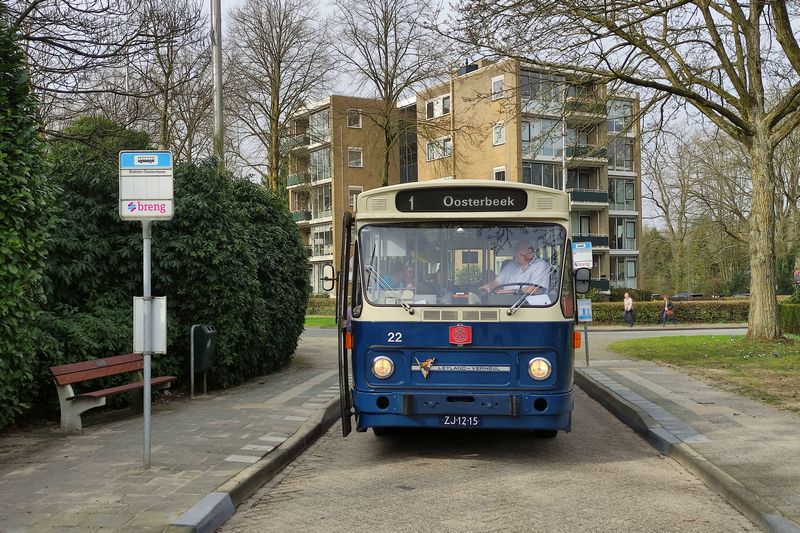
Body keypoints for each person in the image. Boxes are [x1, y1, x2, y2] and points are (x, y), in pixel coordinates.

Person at [479, 240, 550, 295]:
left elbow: (534, 289)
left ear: (529, 252)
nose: (515, 256)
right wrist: (489, 287)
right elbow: (497, 282)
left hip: (532, 306)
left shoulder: (541, 265)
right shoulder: (510, 265)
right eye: (516, 252)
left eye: (520, 254)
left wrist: (509, 292)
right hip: (505, 304)